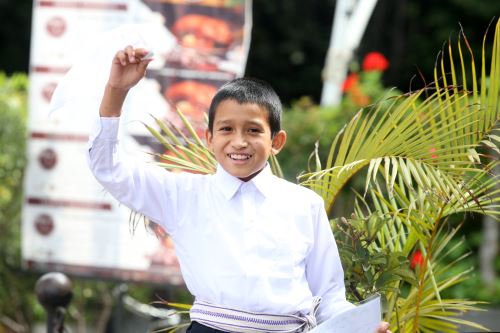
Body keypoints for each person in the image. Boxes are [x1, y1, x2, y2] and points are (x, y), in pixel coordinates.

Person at [87, 46, 392, 333]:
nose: (239, 141)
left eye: (253, 130)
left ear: (276, 141)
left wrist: (360, 327)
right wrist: (117, 90)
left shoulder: (304, 204)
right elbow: (109, 169)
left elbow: (329, 297)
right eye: (226, 129)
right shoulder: (183, 195)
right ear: (209, 137)